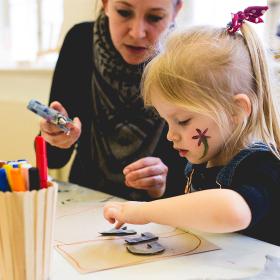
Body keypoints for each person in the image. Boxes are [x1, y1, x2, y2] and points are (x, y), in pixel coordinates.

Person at [103, 6, 280, 246]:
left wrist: (145, 211)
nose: (171, 135)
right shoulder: (201, 162)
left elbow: (232, 210)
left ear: (235, 111)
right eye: (166, 121)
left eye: (183, 121)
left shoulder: (264, 166)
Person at [40, 0, 187, 200]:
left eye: (155, 17)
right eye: (124, 12)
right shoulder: (80, 41)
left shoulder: (186, 59)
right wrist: (55, 137)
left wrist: (163, 185)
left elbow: (194, 182)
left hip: (155, 214)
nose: (137, 32)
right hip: (86, 201)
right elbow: (54, 160)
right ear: (106, 4)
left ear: (176, 10)